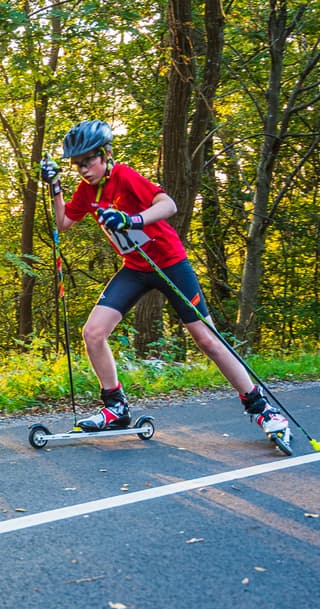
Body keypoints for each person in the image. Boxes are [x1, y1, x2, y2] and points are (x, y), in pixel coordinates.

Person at [40, 120, 289, 444]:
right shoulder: (88, 191)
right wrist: (56, 186)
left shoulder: (125, 176)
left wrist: (132, 219)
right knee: (93, 333)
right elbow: (63, 221)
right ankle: (116, 408)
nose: (85, 169)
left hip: (169, 264)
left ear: (106, 154)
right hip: (135, 268)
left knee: (208, 340)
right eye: (78, 164)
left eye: (90, 160)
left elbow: (168, 204)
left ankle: (261, 408)